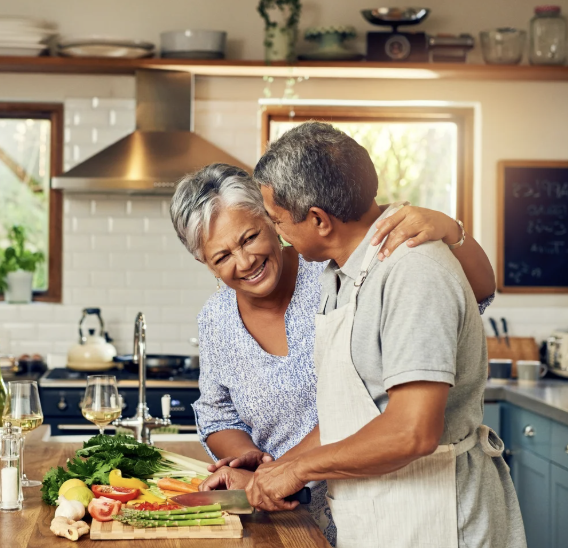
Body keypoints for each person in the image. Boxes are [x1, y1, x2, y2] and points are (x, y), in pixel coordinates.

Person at [170, 162, 497, 545]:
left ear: (272, 219)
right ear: (204, 264)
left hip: (386, 493)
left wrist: (450, 230)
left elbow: (473, 290)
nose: (244, 262)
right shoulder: (215, 318)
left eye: (249, 238)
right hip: (281, 503)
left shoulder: (333, 269)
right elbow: (217, 412)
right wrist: (262, 466)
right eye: (221, 257)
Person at [245, 122, 525, 547]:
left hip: (440, 522)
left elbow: (411, 431)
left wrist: (300, 470)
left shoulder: (413, 270)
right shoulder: (340, 273)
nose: (279, 234)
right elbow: (355, 418)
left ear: (319, 220)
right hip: (385, 515)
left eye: (279, 220)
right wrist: (273, 472)